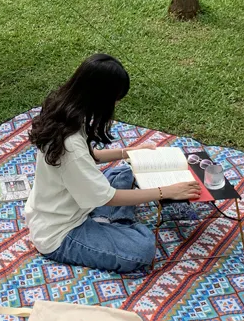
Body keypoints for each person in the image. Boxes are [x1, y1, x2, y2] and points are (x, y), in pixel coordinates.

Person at [24, 53, 201, 273]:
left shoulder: (64, 112)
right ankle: (110, 225)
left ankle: (107, 223)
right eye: (115, 99)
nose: (116, 105)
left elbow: (92, 156)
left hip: (68, 205)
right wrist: (166, 191)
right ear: (100, 97)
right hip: (61, 232)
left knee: (124, 175)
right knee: (143, 249)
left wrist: (129, 152)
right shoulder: (71, 148)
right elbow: (107, 195)